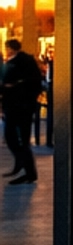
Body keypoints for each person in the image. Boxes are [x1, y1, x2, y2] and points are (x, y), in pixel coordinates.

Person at [0, 37, 41, 182]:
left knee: (15, 138)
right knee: (19, 139)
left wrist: (11, 87)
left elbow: (28, 82)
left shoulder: (19, 63)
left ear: (10, 49)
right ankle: (22, 166)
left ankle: (28, 171)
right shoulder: (23, 61)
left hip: (18, 106)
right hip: (20, 106)